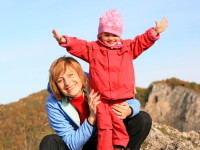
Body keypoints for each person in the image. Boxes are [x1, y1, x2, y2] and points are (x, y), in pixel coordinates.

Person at [52, 9, 168, 150]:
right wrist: (65, 41)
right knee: (105, 125)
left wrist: (154, 32)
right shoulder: (93, 49)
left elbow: (141, 42)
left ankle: (120, 147)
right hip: (102, 97)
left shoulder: (128, 48)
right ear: (100, 34)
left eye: (115, 35)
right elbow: (79, 45)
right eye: (107, 34)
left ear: (120, 34)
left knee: (120, 121)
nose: (111, 38)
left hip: (121, 95)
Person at [39, 56, 152, 150]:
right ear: (56, 85)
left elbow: (133, 102)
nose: (67, 83)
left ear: (79, 74)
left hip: (111, 136)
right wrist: (92, 118)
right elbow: (71, 143)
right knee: (49, 141)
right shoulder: (53, 104)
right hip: (88, 144)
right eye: (60, 80)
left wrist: (129, 110)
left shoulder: (97, 80)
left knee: (142, 119)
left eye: (70, 75)